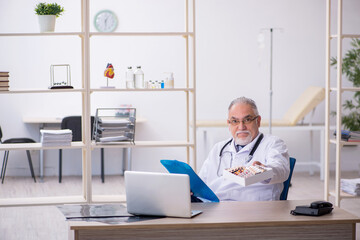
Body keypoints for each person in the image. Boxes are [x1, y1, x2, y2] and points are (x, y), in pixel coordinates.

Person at [198, 97, 290, 201]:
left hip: (255, 211)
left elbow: (281, 170)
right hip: (215, 208)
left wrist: (264, 171)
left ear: (258, 121)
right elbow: (201, 183)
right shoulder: (218, 148)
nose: (241, 127)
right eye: (235, 121)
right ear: (229, 124)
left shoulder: (273, 143)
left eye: (247, 120)